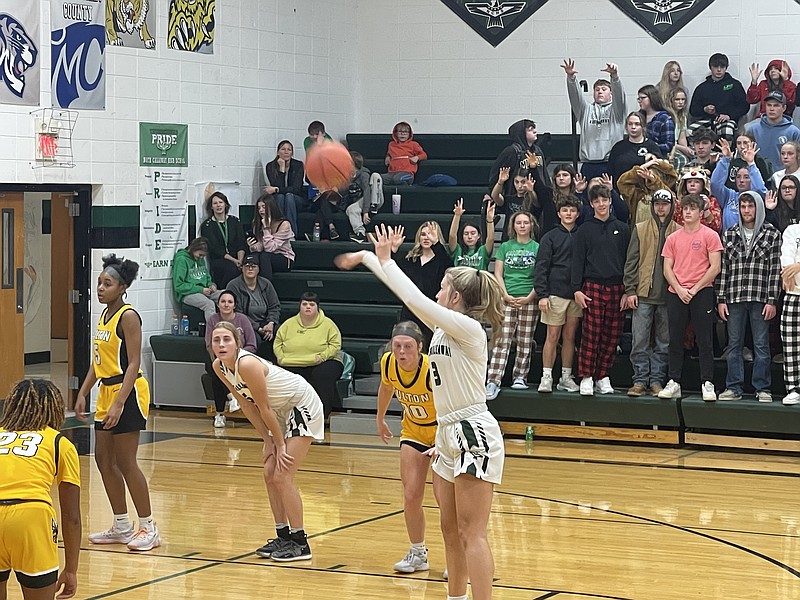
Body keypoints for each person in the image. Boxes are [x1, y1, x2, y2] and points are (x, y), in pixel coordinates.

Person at [335, 224, 506, 600]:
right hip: (446, 433)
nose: (437, 291)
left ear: (456, 296)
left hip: (472, 430)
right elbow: (414, 299)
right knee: (448, 530)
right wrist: (371, 259)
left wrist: (382, 260)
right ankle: (455, 597)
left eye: (442, 287)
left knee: (470, 532)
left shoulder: (468, 328)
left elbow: (413, 299)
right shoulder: (444, 331)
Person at [211, 321, 324, 561]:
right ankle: (283, 536)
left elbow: (263, 407)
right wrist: (267, 439)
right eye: (216, 340)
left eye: (226, 339)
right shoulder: (219, 367)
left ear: (237, 342)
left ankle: (300, 543)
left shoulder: (247, 363)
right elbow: (245, 404)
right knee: (268, 472)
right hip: (278, 411)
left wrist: (279, 444)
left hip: (300, 403)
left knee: (282, 474)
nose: (221, 345)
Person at [75, 254, 161, 551]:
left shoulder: (127, 316)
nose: (100, 287)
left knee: (126, 462)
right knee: (103, 461)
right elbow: (98, 362)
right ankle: (122, 525)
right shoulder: (104, 315)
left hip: (128, 393)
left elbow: (134, 362)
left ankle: (149, 527)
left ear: (122, 287)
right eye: (99, 282)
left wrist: (119, 403)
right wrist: (84, 391)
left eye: (107, 284)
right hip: (106, 393)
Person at [0, 379, 81, 600]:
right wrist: (71, 570)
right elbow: (71, 516)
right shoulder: (59, 443)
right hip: (31, 518)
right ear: (54, 409)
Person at [376, 321, 437, 574]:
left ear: (420, 347)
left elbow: (451, 405)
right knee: (411, 495)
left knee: (448, 502)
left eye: (408, 347)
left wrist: (444, 440)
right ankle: (418, 552)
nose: (402, 352)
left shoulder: (432, 369)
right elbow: (387, 386)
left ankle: (460, 556)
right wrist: (379, 418)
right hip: (413, 430)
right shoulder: (389, 363)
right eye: (397, 346)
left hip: (441, 430)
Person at [716, 191, 781, 402]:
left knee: (761, 345)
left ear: (758, 208)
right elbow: (724, 269)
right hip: (734, 297)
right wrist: (721, 299)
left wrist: (772, 300)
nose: (746, 211)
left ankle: (762, 388)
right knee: (734, 344)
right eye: (743, 207)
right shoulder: (730, 233)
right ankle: (733, 387)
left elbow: (774, 271)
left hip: (761, 297)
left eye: (750, 206)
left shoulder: (772, 234)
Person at [659, 194, 723, 402]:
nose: (687, 212)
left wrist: (694, 289)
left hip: (701, 291)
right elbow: (667, 268)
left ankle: (707, 382)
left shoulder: (710, 235)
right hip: (676, 293)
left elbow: (715, 267)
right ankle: (674, 381)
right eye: (685, 208)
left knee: (705, 340)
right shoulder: (673, 238)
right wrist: (679, 288)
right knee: (675, 339)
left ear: (699, 212)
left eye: (692, 208)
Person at [571, 185, 630, 396]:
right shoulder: (584, 230)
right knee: (591, 334)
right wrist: (576, 289)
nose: (602, 204)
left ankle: (602, 375)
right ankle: (586, 376)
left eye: (604, 200)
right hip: (592, 286)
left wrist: (628, 289)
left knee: (612, 335)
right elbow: (577, 261)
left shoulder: (622, 229)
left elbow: (629, 261)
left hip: (617, 287)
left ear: (610, 201)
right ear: (592, 204)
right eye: (597, 201)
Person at [623, 189, 679, 397]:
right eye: (657, 203)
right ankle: (639, 380)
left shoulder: (679, 230)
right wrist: (630, 290)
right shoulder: (640, 228)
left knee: (664, 342)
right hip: (643, 294)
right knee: (639, 340)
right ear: (652, 206)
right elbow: (631, 262)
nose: (661, 207)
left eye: (665, 203)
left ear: (671, 205)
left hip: (669, 295)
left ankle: (656, 380)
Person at [485, 211, 540, 399]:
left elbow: (540, 276)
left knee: (525, 341)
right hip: (506, 299)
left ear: (531, 225)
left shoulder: (537, 247)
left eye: (526, 222)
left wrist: (530, 296)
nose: (522, 226)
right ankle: (493, 380)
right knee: (502, 339)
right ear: (513, 226)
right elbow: (498, 273)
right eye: (519, 222)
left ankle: (520, 377)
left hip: (529, 299)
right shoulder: (506, 247)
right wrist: (505, 295)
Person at [534, 196, 583, 393]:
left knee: (570, 337)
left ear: (578, 213)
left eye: (572, 210)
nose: (568, 214)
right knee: (552, 336)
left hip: (576, 295)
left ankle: (565, 376)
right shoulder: (550, 237)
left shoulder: (583, 235)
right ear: (558, 213)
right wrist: (543, 294)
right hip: (554, 294)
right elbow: (541, 267)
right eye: (565, 210)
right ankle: (546, 377)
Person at [273, 292, 344, 417]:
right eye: (304, 304)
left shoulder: (328, 324)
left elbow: (335, 345)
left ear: (318, 307)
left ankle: (321, 414)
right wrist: (280, 357)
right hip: (292, 362)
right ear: (299, 306)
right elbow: (278, 342)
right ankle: (284, 414)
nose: (307, 307)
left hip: (322, 362)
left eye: (311, 304)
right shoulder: (288, 324)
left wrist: (322, 357)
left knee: (323, 374)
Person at [562, 59, 627, 181]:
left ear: (611, 93)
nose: (600, 92)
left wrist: (614, 77)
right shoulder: (586, 110)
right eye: (597, 90)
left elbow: (620, 97)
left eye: (604, 89)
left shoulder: (617, 111)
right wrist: (571, 78)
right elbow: (575, 98)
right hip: (589, 164)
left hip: (610, 163)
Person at [391, 221, 452, 348]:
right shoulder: (410, 259)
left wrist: (436, 245)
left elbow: (449, 267)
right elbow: (393, 274)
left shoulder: (441, 259)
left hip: (431, 311)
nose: (426, 237)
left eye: (430, 234)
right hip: (410, 311)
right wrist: (393, 251)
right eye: (423, 234)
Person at [204, 290, 258, 428]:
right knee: (214, 370)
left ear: (234, 305)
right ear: (218, 304)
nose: (226, 304)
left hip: (241, 358)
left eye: (229, 302)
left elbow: (252, 344)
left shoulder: (242, 319)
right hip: (220, 358)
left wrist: (237, 355)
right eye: (223, 301)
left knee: (219, 373)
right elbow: (209, 344)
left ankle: (222, 410)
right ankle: (227, 403)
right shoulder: (212, 320)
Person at [226, 254, 281, 360]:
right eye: (247, 266)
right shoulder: (234, 286)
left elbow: (275, 306)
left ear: (258, 269)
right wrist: (258, 328)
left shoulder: (266, 284)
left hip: (266, 323)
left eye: (253, 266)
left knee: (281, 333)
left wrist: (271, 323)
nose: (250, 269)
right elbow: (238, 313)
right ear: (242, 269)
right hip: (244, 325)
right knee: (254, 340)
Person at [689, 53, 749, 144]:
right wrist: (704, 109)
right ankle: (696, 156)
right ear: (710, 67)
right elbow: (693, 110)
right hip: (707, 121)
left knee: (727, 130)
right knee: (689, 131)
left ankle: (727, 156)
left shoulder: (734, 85)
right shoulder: (702, 88)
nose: (719, 70)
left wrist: (729, 116)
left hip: (728, 121)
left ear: (726, 68)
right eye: (716, 66)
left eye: (722, 66)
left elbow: (744, 106)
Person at [712, 137, 768, 231]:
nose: (741, 180)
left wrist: (751, 164)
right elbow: (715, 184)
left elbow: (760, 189)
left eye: (746, 177)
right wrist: (725, 159)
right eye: (738, 177)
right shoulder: (729, 195)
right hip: (730, 240)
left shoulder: (757, 196)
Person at [199, 191, 247, 288]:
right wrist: (234, 260)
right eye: (215, 203)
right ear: (211, 207)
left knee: (252, 265)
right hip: (220, 259)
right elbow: (215, 248)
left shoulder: (234, 221)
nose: (218, 205)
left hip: (238, 257)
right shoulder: (207, 225)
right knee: (232, 269)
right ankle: (225, 292)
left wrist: (240, 260)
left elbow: (241, 242)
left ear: (225, 204)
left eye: (220, 202)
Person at [745, 91, 800, 172]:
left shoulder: (793, 132)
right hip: (757, 175)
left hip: (783, 178)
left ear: (784, 108)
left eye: (776, 105)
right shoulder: (753, 129)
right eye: (769, 105)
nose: (771, 109)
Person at [246, 194, 295, 280]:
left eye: (264, 207)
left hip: (284, 258)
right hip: (266, 256)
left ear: (271, 207)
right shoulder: (258, 223)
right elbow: (262, 245)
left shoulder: (284, 225)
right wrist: (253, 247)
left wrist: (266, 228)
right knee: (251, 259)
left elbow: (270, 248)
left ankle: (266, 289)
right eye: (259, 208)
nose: (261, 210)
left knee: (265, 256)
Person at [617, 156, 678, 225]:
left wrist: (654, 181)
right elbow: (622, 183)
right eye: (646, 174)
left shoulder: (668, 193)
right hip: (639, 234)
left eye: (654, 175)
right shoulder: (638, 195)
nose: (648, 177)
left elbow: (669, 195)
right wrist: (641, 168)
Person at [607, 112, 663, 187]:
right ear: (626, 127)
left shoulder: (652, 146)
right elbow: (610, 171)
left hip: (644, 191)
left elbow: (659, 170)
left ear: (643, 126)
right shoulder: (618, 147)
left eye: (637, 124)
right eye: (630, 124)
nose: (633, 127)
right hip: (620, 190)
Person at [171, 236, 221, 320]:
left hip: (204, 290)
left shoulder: (200, 259)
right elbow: (179, 286)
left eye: (203, 256)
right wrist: (200, 290)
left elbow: (207, 277)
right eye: (200, 255)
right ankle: (212, 330)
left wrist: (211, 285)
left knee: (226, 296)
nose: (201, 258)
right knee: (209, 304)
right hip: (187, 294)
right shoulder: (182, 259)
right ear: (193, 249)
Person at [264, 140, 305, 234]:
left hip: (296, 198)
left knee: (289, 196)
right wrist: (281, 170)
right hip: (279, 198)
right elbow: (277, 186)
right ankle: (280, 231)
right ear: (278, 152)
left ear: (292, 153)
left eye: (289, 150)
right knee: (281, 197)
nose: (286, 152)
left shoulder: (298, 165)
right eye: (283, 149)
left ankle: (291, 233)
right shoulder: (270, 166)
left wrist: (277, 189)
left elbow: (296, 189)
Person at [780, 219, 800, 405]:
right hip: (793, 294)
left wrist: (799, 265)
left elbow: (795, 265)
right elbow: (786, 259)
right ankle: (793, 388)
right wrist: (791, 269)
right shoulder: (792, 230)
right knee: (791, 345)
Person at [346, 150, 384, 243]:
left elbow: (367, 191)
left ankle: (373, 206)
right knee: (350, 210)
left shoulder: (363, 174)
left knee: (375, 176)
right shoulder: (347, 175)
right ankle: (360, 234)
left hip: (373, 198)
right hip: (361, 201)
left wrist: (366, 211)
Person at [490, 167, 540, 237]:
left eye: (523, 182)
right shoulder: (509, 199)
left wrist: (530, 191)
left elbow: (535, 201)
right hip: (509, 238)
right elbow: (495, 196)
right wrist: (500, 182)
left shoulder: (532, 198)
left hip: (529, 238)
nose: (519, 186)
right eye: (516, 182)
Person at [448, 198, 494, 270]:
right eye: (466, 234)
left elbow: (490, 239)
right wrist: (457, 216)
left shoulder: (483, 251)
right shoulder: (458, 250)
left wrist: (490, 219)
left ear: (478, 236)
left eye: (473, 233)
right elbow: (452, 236)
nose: (469, 237)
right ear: (462, 236)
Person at [675, 167, 722, 233]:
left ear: (703, 185)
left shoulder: (711, 201)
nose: (692, 184)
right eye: (689, 182)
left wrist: (706, 210)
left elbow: (716, 228)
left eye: (697, 182)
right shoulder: (679, 203)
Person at [638, 84, 676, 157]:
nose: (640, 101)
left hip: (658, 158)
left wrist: (648, 146)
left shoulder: (664, 118)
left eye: (642, 98)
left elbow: (668, 145)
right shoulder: (640, 116)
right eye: (639, 98)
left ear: (652, 98)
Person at [667, 87, 693, 171]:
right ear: (671, 101)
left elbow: (682, 137)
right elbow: (668, 143)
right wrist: (683, 149)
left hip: (677, 147)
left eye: (683, 99)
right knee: (682, 160)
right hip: (668, 148)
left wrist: (687, 149)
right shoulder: (667, 116)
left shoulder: (682, 117)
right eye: (677, 99)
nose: (681, 102)